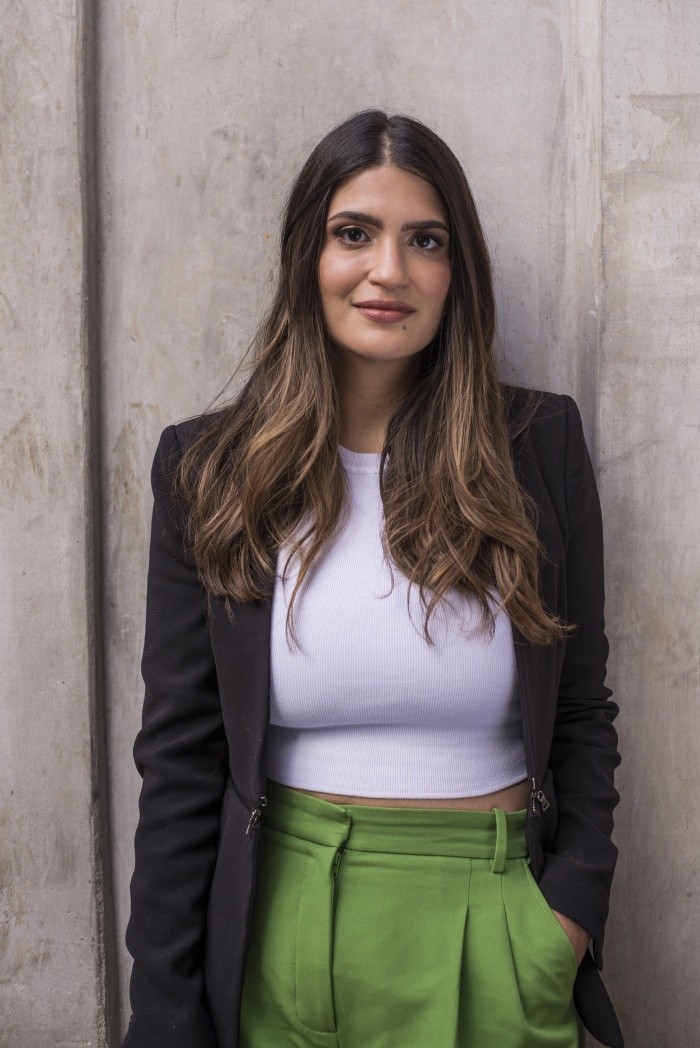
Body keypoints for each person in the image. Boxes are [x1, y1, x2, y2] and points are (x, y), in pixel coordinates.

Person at [121, 109, 623, 1048]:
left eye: (425, 241)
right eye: (353, 233)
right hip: (281, 925)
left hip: (498, 926)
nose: (388, 271)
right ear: (305, 257)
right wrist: (163, 1014)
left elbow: (582, 709)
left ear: (458, 272)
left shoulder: (536, 448)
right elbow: (181, 760)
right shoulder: (208, 471)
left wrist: (568, 913)